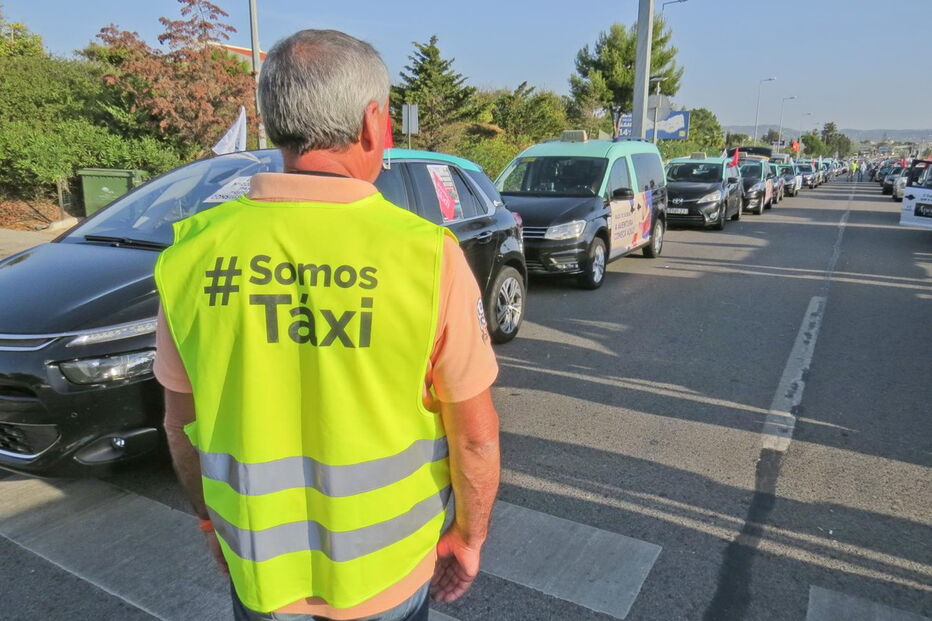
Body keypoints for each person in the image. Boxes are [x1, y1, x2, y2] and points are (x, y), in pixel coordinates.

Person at [154, 29, 501, 621]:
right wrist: (468, 540)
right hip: (386, 575)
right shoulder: (425, 256)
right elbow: (473, 435)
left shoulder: (190, 254)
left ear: (272, 122)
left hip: (259, 570)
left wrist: (212, 524)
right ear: (372, 124)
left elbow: (179, 423)